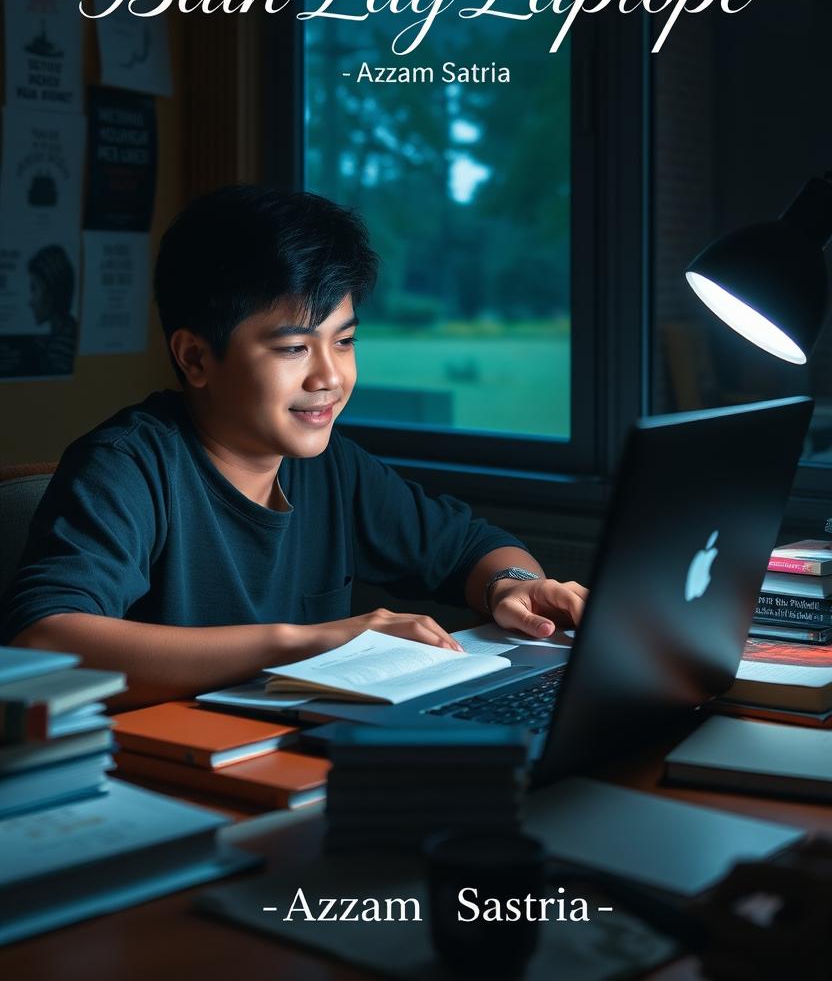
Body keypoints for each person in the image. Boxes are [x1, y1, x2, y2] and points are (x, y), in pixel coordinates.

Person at [1, 187, 587, 703]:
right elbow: (46, 639)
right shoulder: (127, 465)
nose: (329, 377)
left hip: (295, 762)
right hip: (154, 778)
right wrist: (311, 643)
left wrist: (511, 585)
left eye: (346, 340)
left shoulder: (332, 467)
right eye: (292, 349)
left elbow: (473, 547)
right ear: (196, 357)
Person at [27, 244, 78, 376]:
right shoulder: (65, 334)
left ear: (51, 294)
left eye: (34, 289)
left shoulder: (60, 353)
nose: (30, 302)